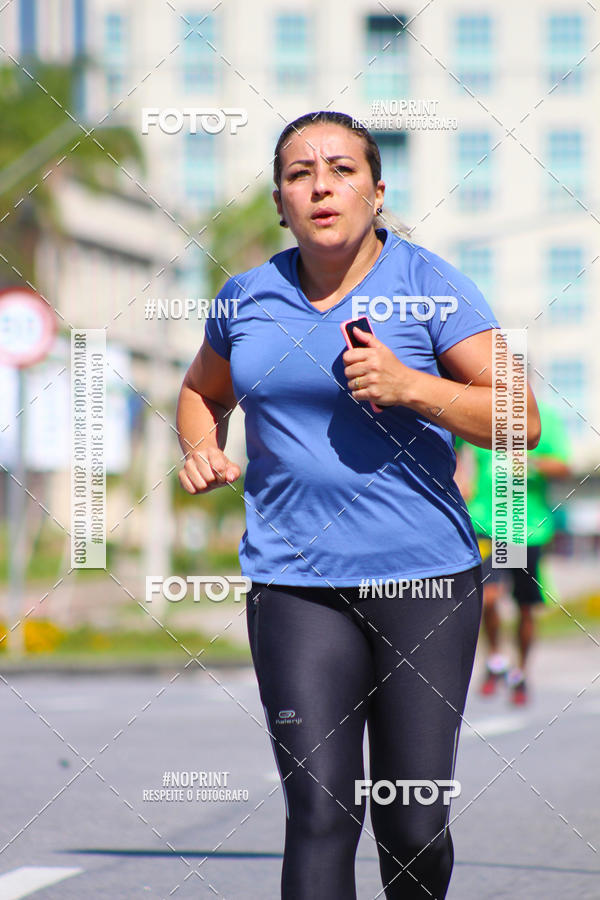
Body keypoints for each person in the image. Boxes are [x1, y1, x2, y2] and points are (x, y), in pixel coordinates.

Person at [176, 110, 541, 900]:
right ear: (280, 201)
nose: (321, 186)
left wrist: (411, 387)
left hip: (425, 584)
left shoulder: (427, 284)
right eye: (301, 173)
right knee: (319, 812)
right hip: (295, 585)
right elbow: (202, 392)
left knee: (409, 821)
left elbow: (522, 420)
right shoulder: (247, 298)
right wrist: (201, 446)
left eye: (341, 170)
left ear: (378, 192)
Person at [455, 401, 571, 704]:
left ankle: (520, 672)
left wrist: (529, 464)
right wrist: (461, 479)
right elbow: (459, 454)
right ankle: (495, 660)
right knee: (487, 597)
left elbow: (563, 466)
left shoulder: (543, 416)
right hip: (486, 524)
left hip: (525, 527)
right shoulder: (481, 411)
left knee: (524, 606)